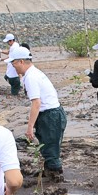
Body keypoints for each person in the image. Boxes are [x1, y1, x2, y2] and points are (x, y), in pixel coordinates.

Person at [8, 46, 67, 181]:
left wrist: (29, 128)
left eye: (14, 63)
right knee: (46, 145)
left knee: (51, 148)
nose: (13, 66)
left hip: (50, 115)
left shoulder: (31, 77)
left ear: (21, 62)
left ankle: (55, 176)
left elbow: (36, 103)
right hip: (51, 114)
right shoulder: (33, 73)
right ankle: (48, 171)